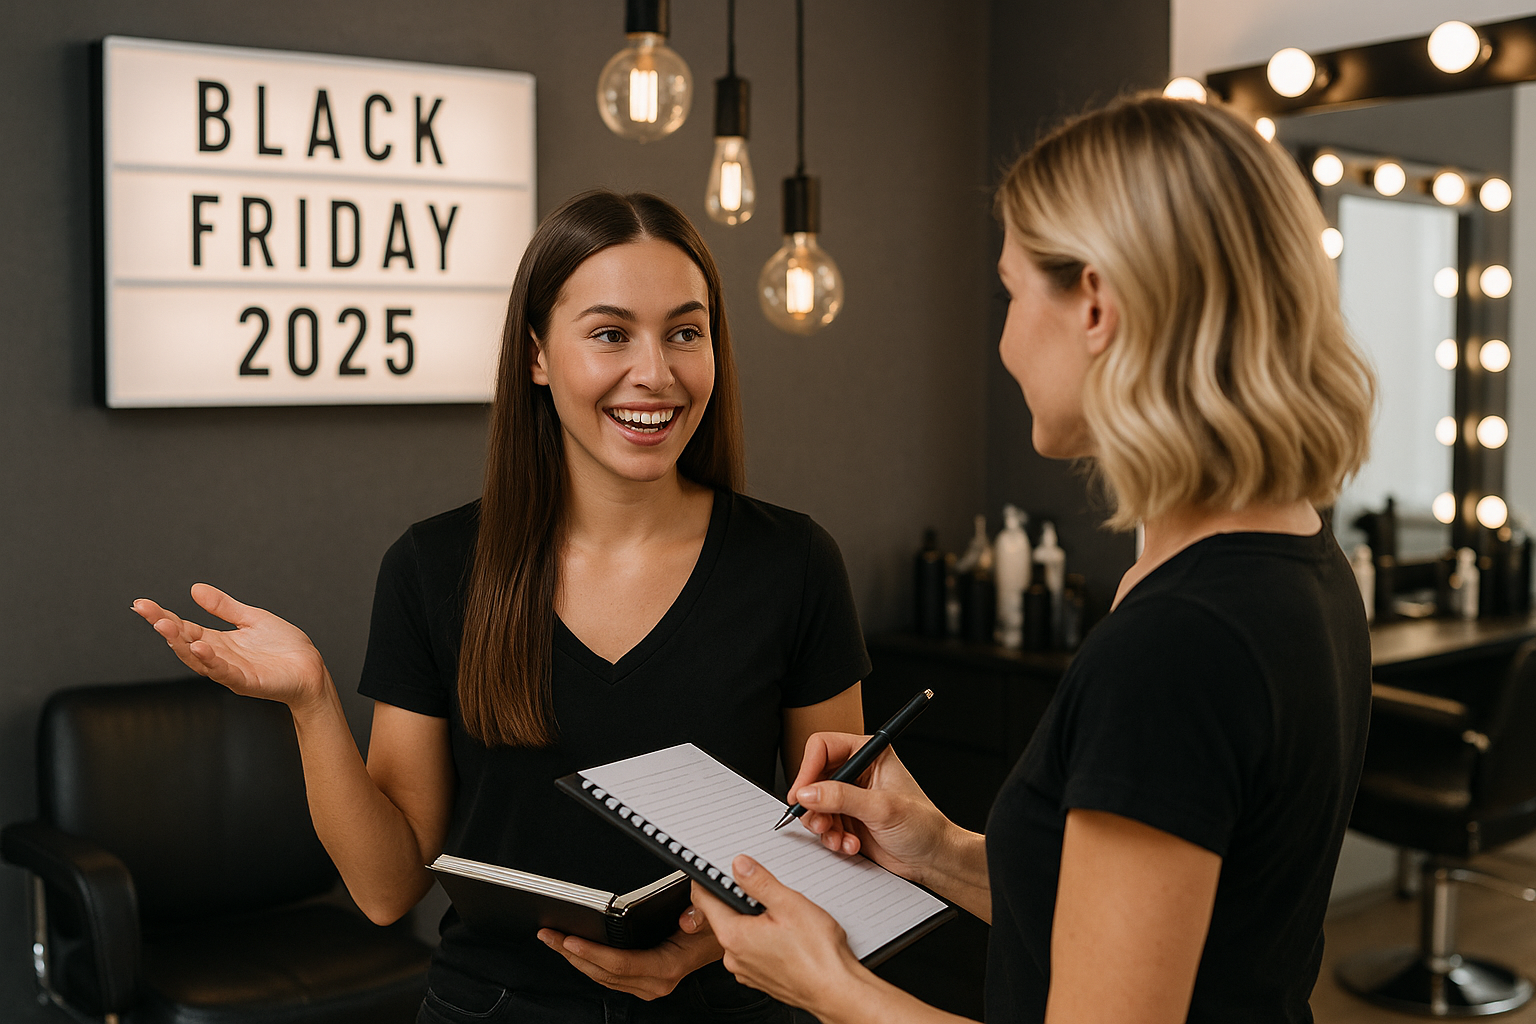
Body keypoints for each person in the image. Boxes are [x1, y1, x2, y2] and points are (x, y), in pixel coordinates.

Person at [692, 94, 1378, 1024]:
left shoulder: (1180, 643)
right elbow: (1148, 922)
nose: (1008, 339)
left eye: (1013, 293)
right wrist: (932, 847)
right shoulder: (1294, 559)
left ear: (1094, 303)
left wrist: (829, 987)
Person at [132, 190, 868, 1024]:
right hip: (495, 1008)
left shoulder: (793, 564)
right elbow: (385, 890)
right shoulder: (433, 567)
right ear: (536, 355)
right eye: (609, 333)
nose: (655, 372)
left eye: (685, 332)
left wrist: (708, 943)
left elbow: (838, 846)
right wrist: (312, 703)